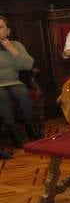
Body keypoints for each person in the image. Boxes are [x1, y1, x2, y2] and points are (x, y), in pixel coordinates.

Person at [0, 16, 39, 145]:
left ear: (8, 31)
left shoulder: (16, 45)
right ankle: (13, 132)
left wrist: (12, 50)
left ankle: (30, 127)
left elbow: (28, 65)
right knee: (2, 96)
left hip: (14, 82)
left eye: (0, 27)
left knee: (23, 94)